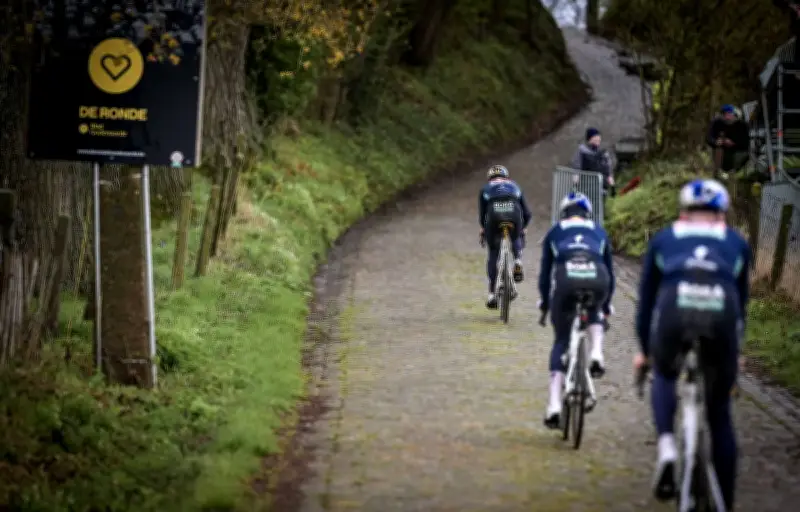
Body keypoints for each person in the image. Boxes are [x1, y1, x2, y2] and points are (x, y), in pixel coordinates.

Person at [633, 178, 750, 510]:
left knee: (665, 375)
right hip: (721, 317)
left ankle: (668, 447)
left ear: (683, 213)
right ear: (722, 215)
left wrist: (645, 351)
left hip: (674, 313)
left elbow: (645, 305)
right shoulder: (737, 243)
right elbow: (741, 306)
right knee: (719, 415)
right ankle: (725, 502)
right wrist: (734, 352)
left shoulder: (664, 239)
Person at [537, 192, 615, 429]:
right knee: (594, 309)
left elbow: (545, 275)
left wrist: (545, 303)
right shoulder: (600, 232)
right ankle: (597, 353)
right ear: (587, 213)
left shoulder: (554, 231)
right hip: (597, 279)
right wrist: (607, 303)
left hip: (567, 279)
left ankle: (553, 405)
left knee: (561, 340)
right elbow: (610, 273)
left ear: (564, 212)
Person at [479, 164, 532, 309]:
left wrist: (483, 229)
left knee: (493, 253)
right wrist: (523, 228)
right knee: (515, 237)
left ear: (490, 178)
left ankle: (491, 293)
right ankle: (518, 261)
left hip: (494, 217)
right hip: (513, 214)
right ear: (506, 177)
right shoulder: (515, 186)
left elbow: (483, 215)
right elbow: (527, 212)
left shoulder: (485, 188)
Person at [706, 104, 750, 179]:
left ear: (734, 115)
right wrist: (716, 142)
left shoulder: (741, 125)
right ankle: (718, 175)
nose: (727, 117)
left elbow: (746, 143)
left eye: (729, 114)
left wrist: (733, 143)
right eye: (725, 114)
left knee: (740, 157)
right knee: (718, 151)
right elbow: (709, 138)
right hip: (722, 152)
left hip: (738, 152)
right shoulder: (716, 123)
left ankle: (734, 174)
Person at [569, 127, 615, 191]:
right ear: (590, 139)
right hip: (586, 186)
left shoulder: (603, 152)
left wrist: (611, 181)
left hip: (602, 186)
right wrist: (575, 181)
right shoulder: (582, 150)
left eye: (599, 138)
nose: (598, 139)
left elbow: (608, 167)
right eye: (596, 137)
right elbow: (577, 166)